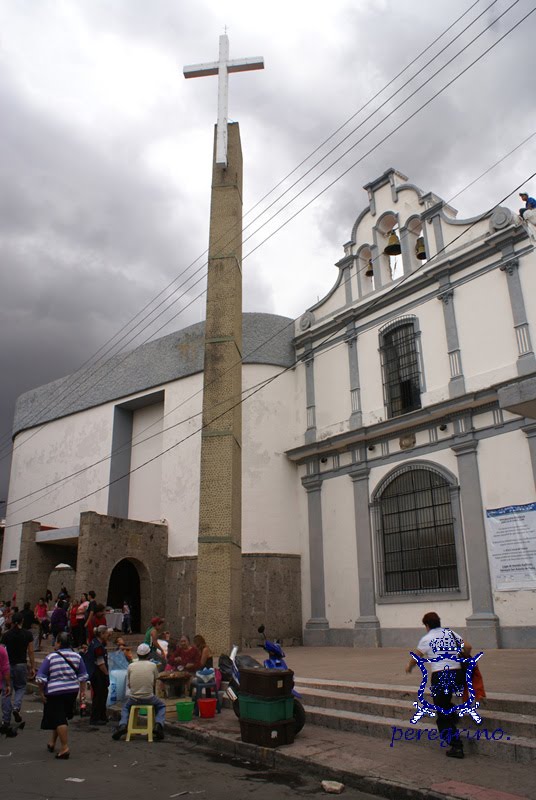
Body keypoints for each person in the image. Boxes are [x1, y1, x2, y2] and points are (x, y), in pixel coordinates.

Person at [406, 611, 469, 759]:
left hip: (441, 675)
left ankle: (456, 745)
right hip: (457, 674)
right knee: (445, 703)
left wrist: (409, 667)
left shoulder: (426, 638)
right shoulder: (451, 633)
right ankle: (453, 715)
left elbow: (416, 657)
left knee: (442, 712)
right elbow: (469, 647)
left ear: (427, 625)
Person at [35, 631, 88, 759]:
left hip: (54, 692)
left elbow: (40, 678)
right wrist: (82, 694)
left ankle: (64, 747)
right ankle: (52, 742)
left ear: (58, 643)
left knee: (59, 719)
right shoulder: (77, 657)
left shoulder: (51, 657)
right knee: (60, 716)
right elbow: (83, 677)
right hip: (71, 691)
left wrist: (41, 693)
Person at [111, 643, 166, 741]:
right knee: (161, 706)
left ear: (137, 654)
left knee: (125, 708)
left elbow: (129, 684)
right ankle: (158, 725)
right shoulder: (153, 665)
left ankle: (123, 725)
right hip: (149, 698)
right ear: (148, 655)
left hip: (134, 698)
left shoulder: (131, 666)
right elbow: (154, 681)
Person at [1, 612, 36, 731]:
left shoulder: (6, 635)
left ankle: (6, 719)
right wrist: (32, 666)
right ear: (22, 621)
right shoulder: (27, 634)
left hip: (8, 665)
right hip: (21, 664)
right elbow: (31, 651)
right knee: (21, 687)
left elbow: (2, 651)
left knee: (6, 691)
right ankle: (16, 707)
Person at [85, 625, 110, 725]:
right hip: (98, 673)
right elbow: (101, 663)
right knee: (99, 695)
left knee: (102, 694)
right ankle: (95, 718)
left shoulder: (95, 642)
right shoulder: (98, 647)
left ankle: (102, 716)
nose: (108, 635)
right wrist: (106, 673)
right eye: (107, 633)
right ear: (102, 634)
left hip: (95, 672)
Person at [0, 643, 14, 737]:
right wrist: (9, 684)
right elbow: (5, 668)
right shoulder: (2, 650)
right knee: (5, 696)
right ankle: (6, 720)